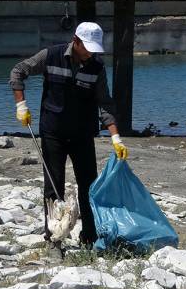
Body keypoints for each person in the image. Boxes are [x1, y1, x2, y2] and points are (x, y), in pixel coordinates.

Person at [9, 22, 128, 259]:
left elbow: (105, 103)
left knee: (88, 186)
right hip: (53, 132)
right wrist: (21, 104)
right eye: (87, 47)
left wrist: (116, 136)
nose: (91, 53)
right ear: (76, 40)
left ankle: (90, 237)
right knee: (54, 186)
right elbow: (18, 71)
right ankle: (54, 241)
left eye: (94, 49)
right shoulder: (50, 56)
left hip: (83, 134)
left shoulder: (96, 67)